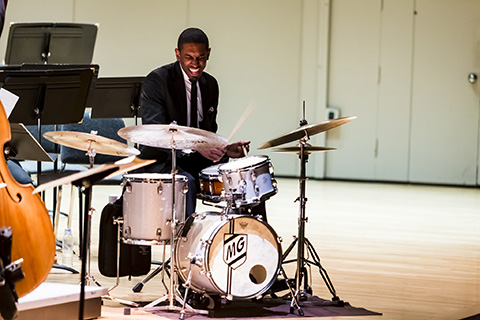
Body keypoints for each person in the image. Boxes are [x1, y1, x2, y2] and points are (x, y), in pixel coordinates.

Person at [139, 27, 249, 216]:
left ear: (208, 53)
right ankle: (185, 242)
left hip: (196, 161)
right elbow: (155, 135)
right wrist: (196, 146)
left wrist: (223, 149)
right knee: (185, 183)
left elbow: (208, 131)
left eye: (201, 57)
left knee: (244, 178)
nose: (195, 63)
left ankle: (248, 239)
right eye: (189, 57)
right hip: (163, 159)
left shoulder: (211, 85)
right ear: (177, 54)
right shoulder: (157, 81)